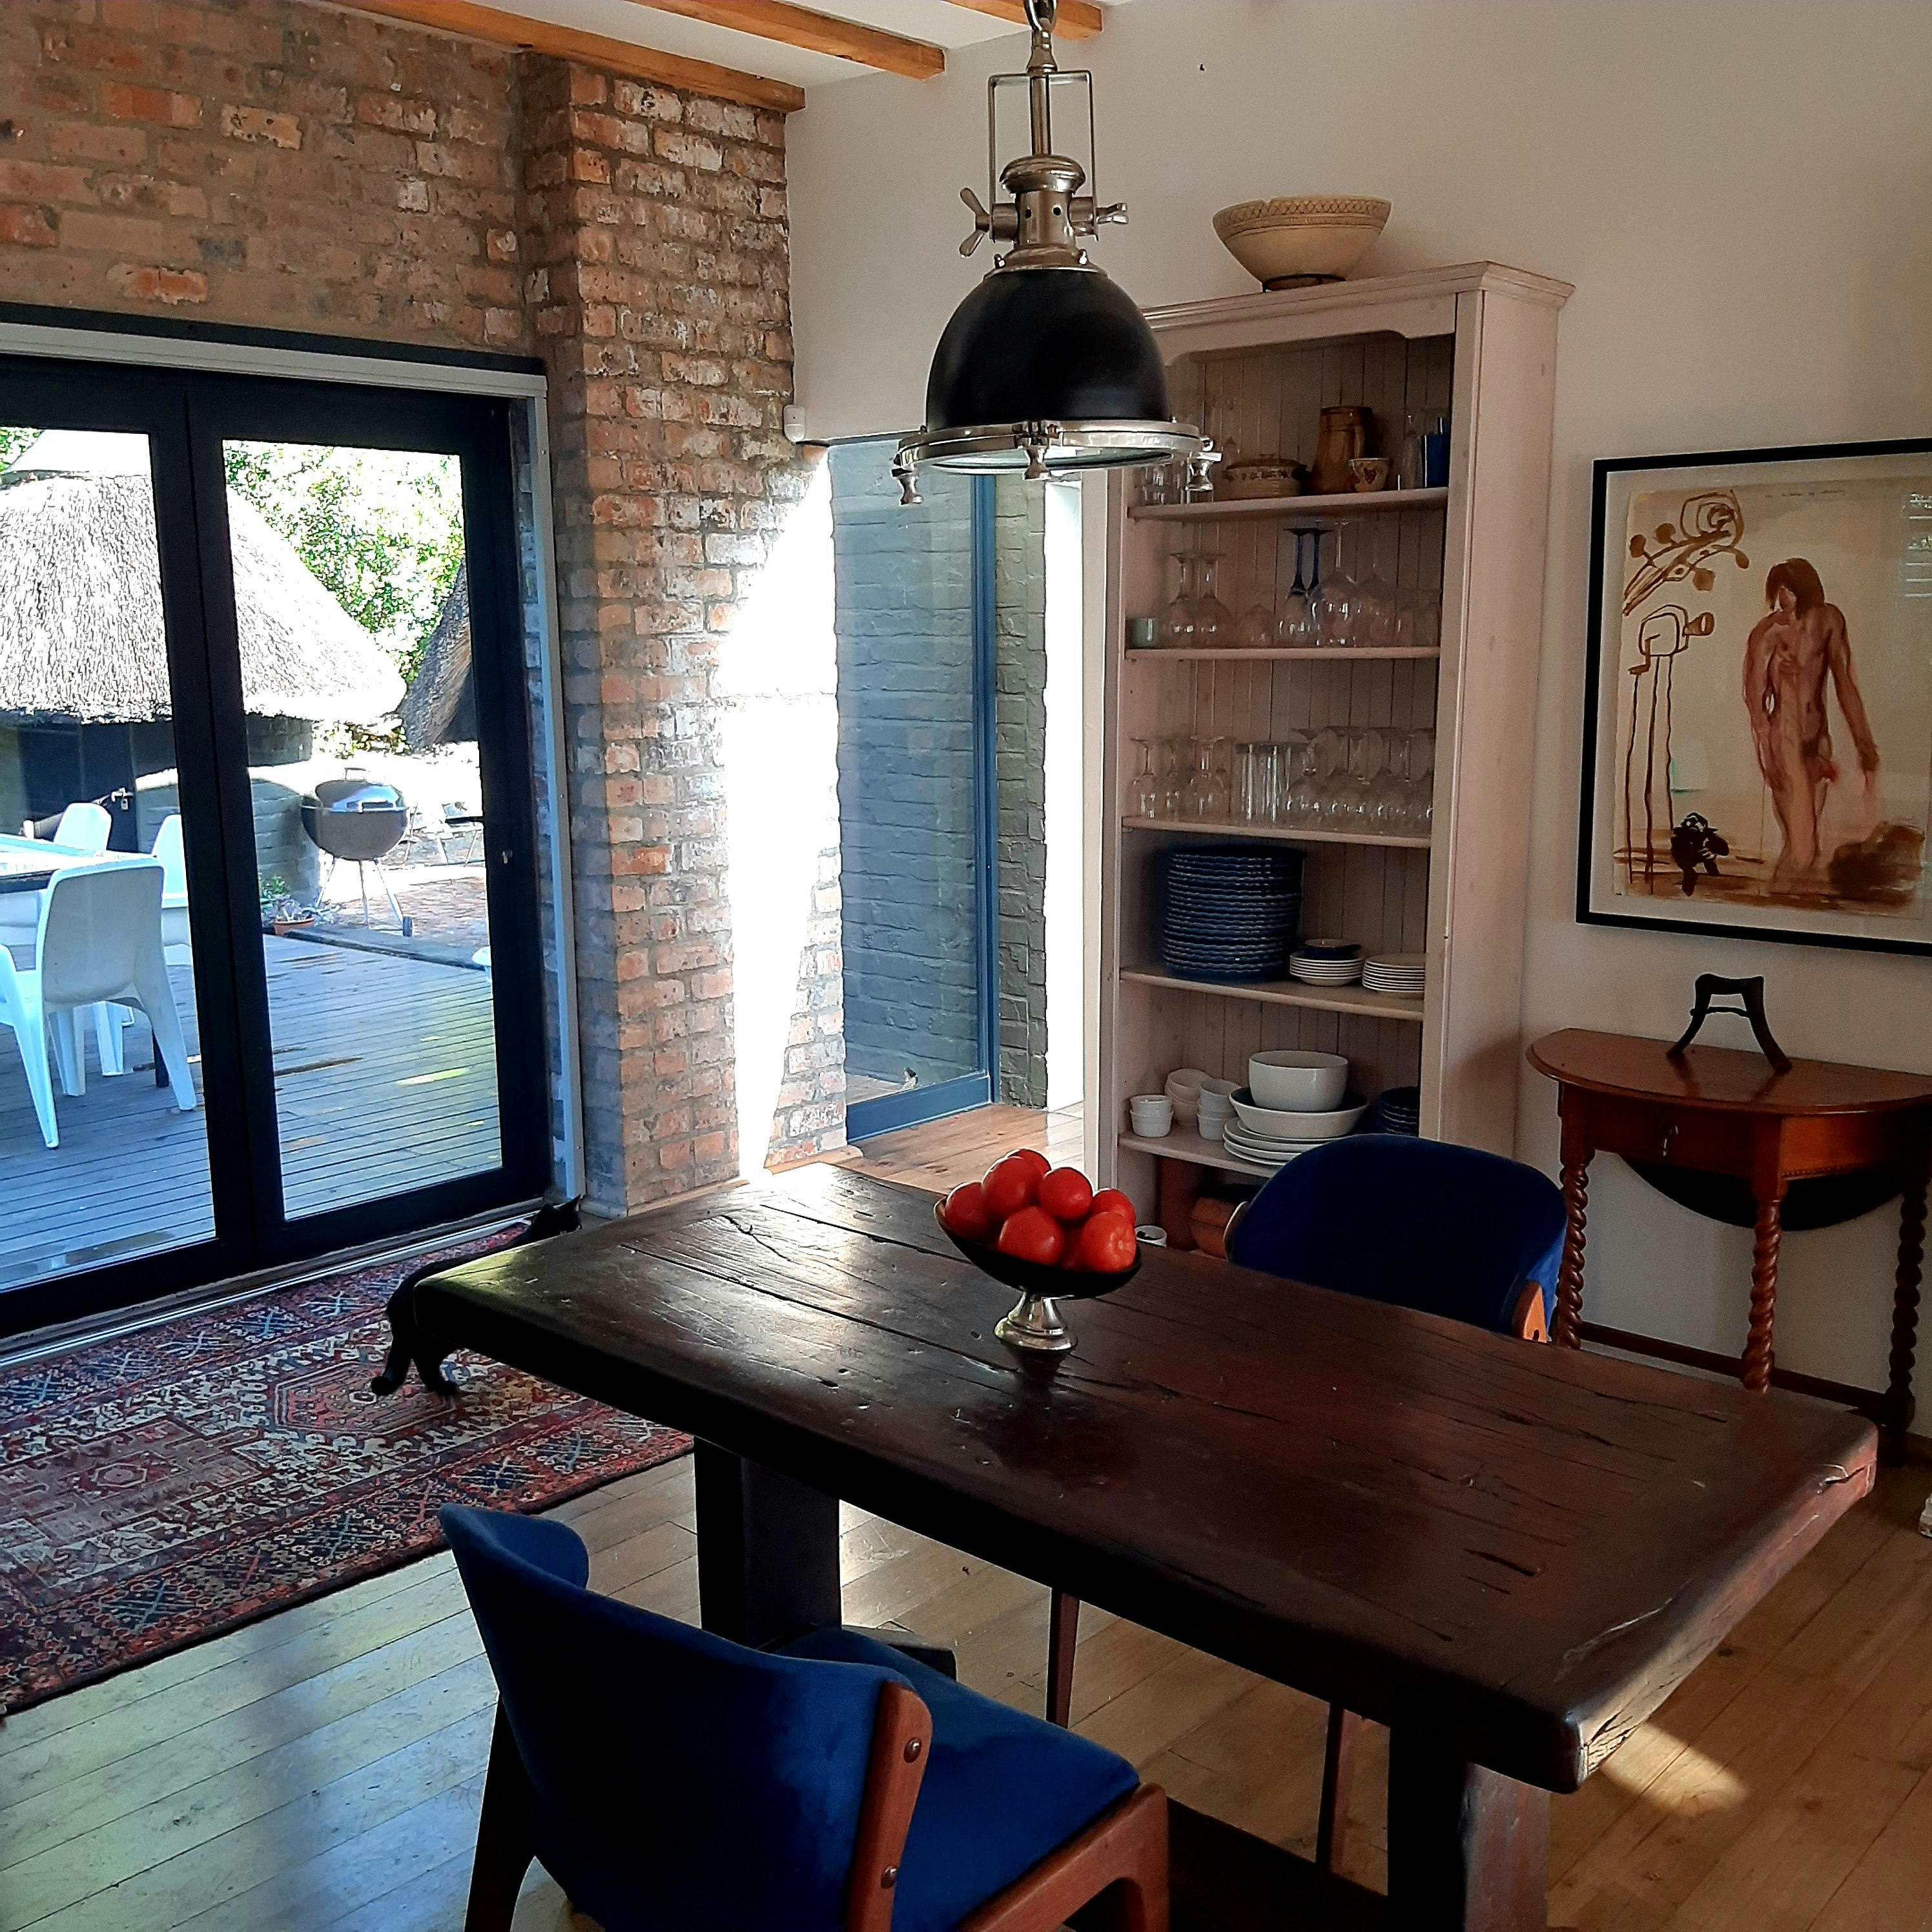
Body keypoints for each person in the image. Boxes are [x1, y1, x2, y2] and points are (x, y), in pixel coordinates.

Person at [1740, 558, 1879, 892]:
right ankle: (1778, 898)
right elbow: (1755, 703)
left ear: (1805, 589)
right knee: (1802, 850)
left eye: (1788, 589)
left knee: (1804, 847)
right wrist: (1766, 756)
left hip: (1818, 737)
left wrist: (1864, 743)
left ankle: (1782, 901)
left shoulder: (1830, 622)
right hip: (1784, 738)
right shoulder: (1768, 634)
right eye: (1778, 591)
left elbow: (1845, 684)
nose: (1782, 598)